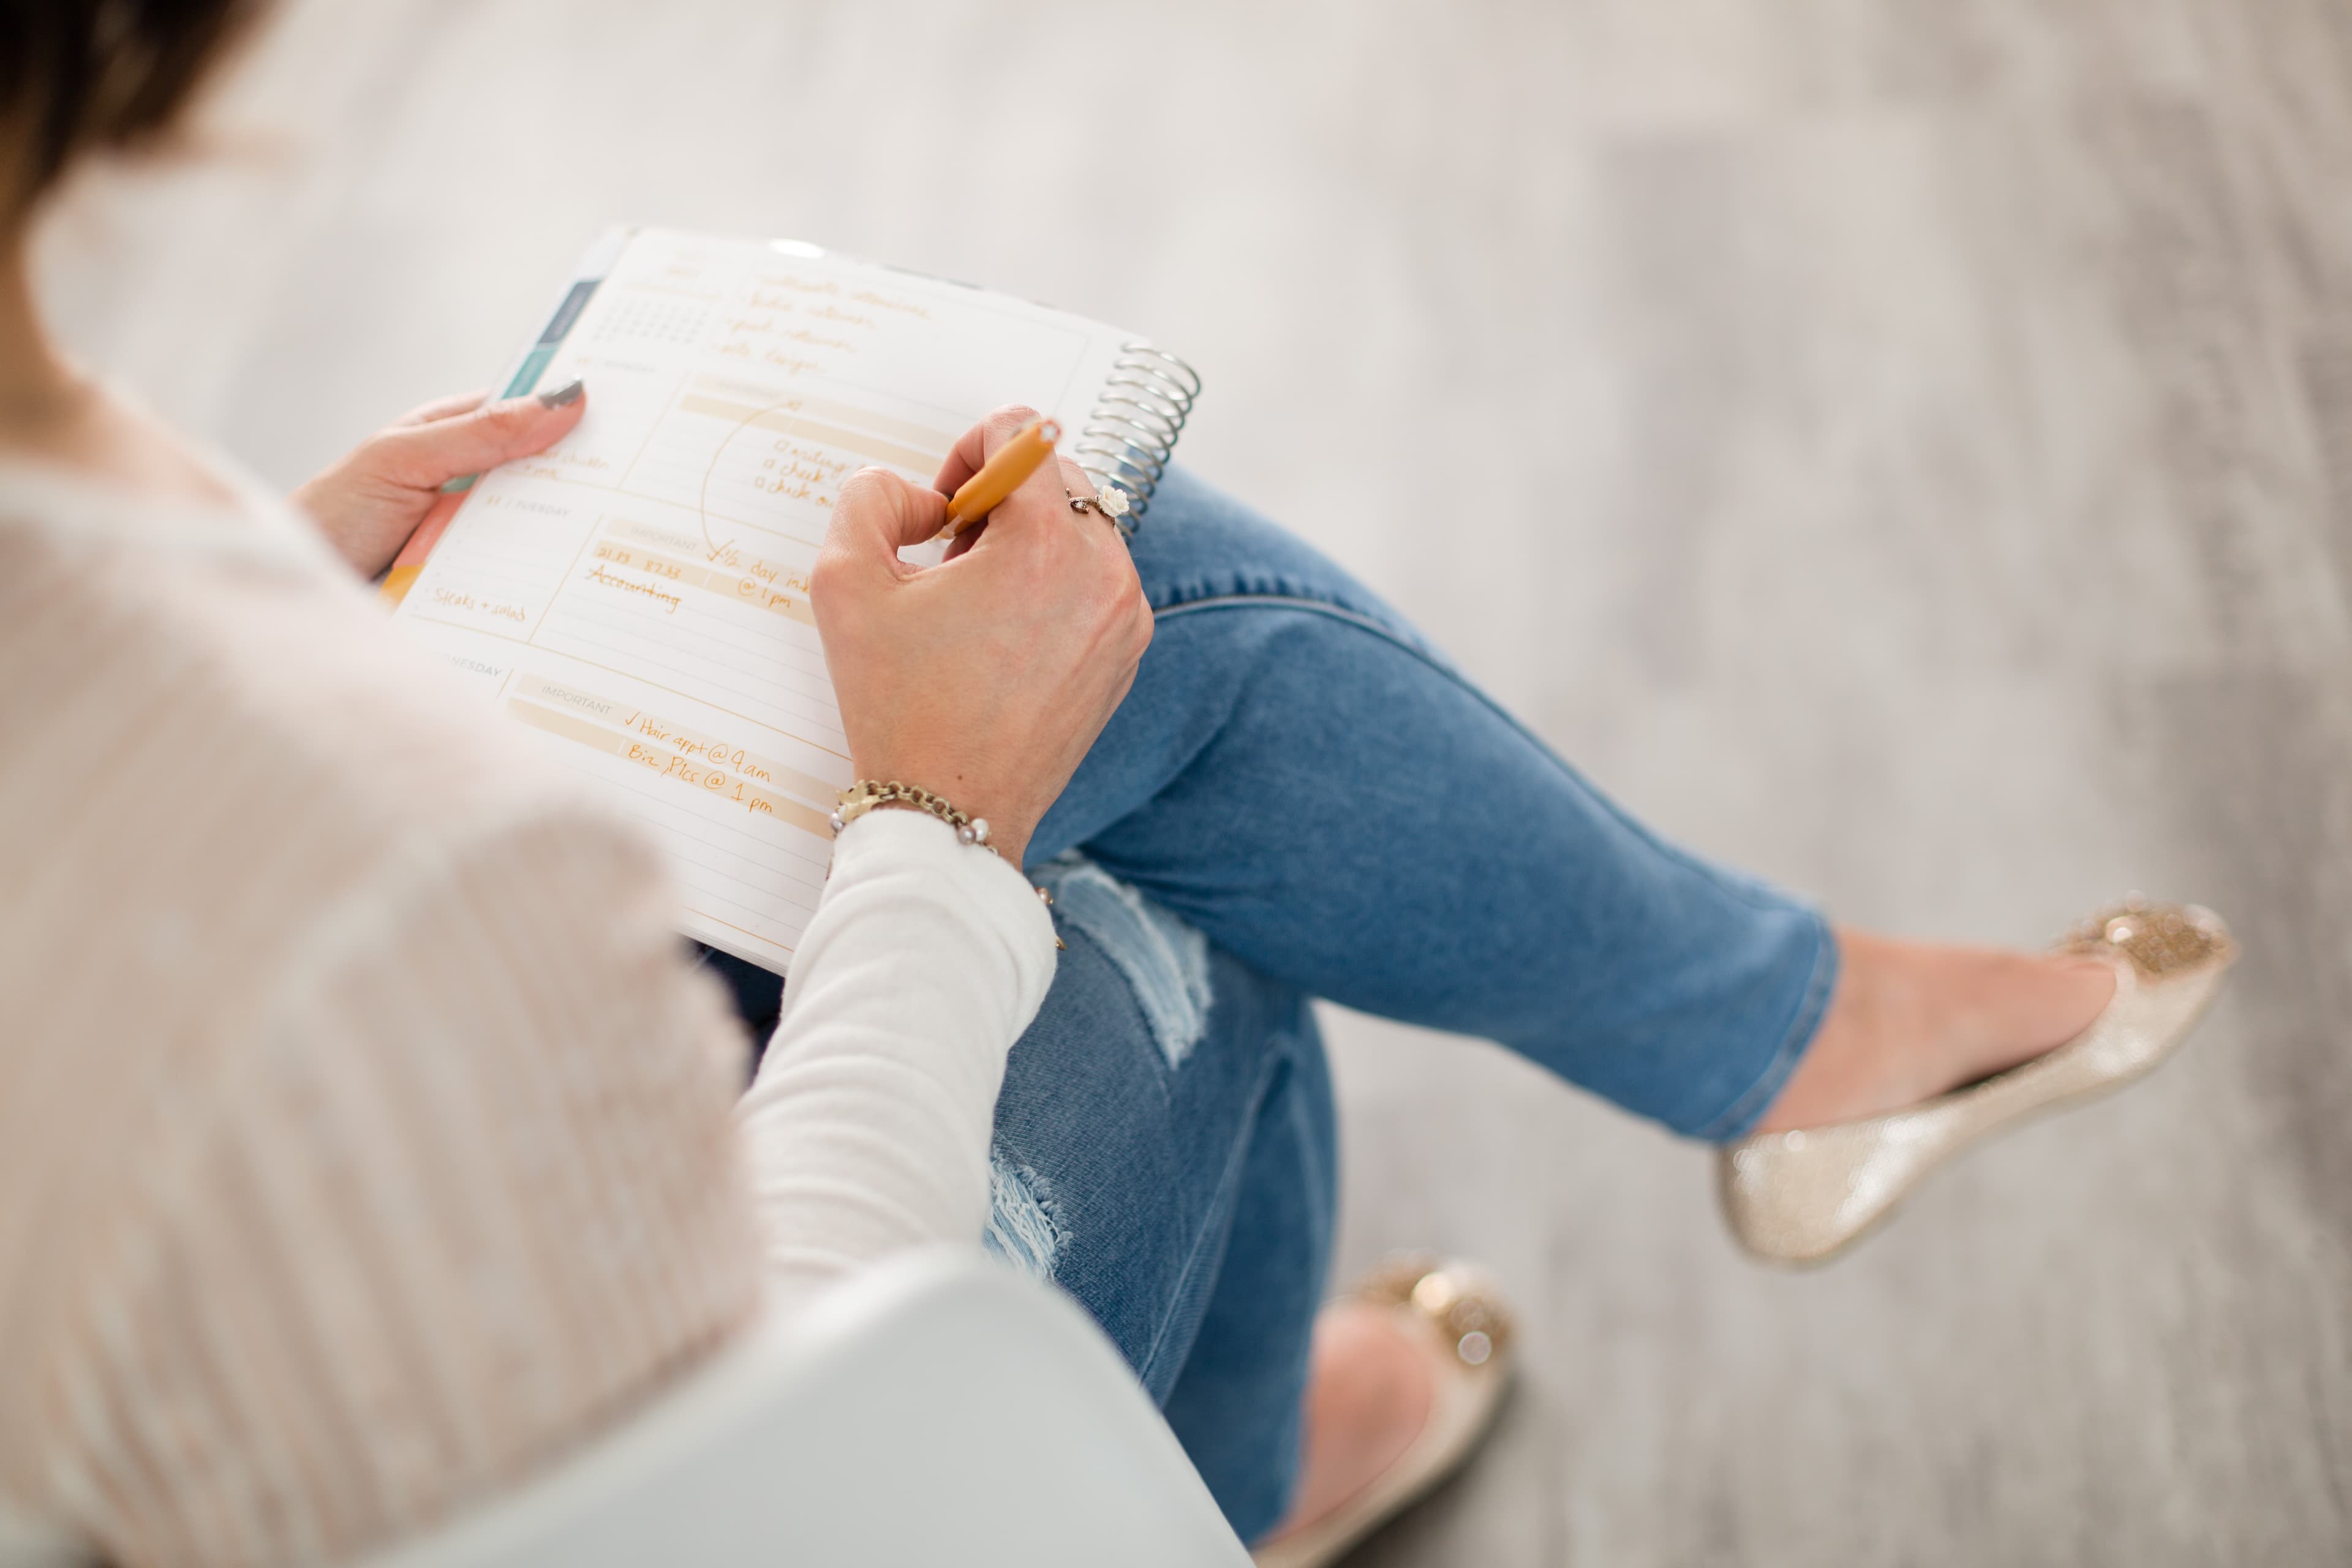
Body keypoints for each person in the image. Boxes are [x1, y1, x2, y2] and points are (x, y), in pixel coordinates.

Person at [0, 4, 2235, 1566]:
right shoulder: (338, 852)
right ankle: (1280, 1443)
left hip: (301, 1302)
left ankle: (1775, 1048)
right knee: (1137, 823)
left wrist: (275, 586)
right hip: (723, 1476)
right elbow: (771, 1445)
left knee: (1094, 660)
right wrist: (942, 833)